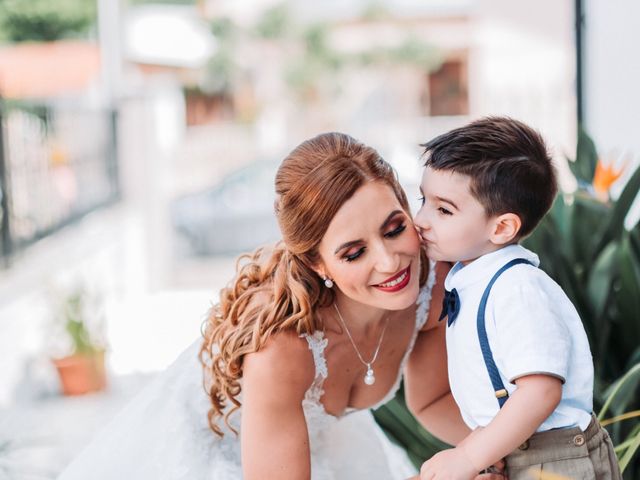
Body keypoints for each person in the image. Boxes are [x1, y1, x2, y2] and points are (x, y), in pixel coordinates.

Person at [58, 132, 504, 480]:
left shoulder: (430, 286)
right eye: (353, 253)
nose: (390, 262)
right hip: (215, 458)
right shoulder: (282, 349)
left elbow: (433, 401)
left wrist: (502, 450)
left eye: (393, 228)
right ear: (317, 261)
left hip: (324, 448)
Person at [413, 116, 622, 480]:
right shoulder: (474, 279)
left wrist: (467, 457)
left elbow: (540, 391)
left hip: (555, 458)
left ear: (502, 228)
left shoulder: (517, 288)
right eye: (423, 200)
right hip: (520, 451)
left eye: (443, 210)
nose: (421, 220)